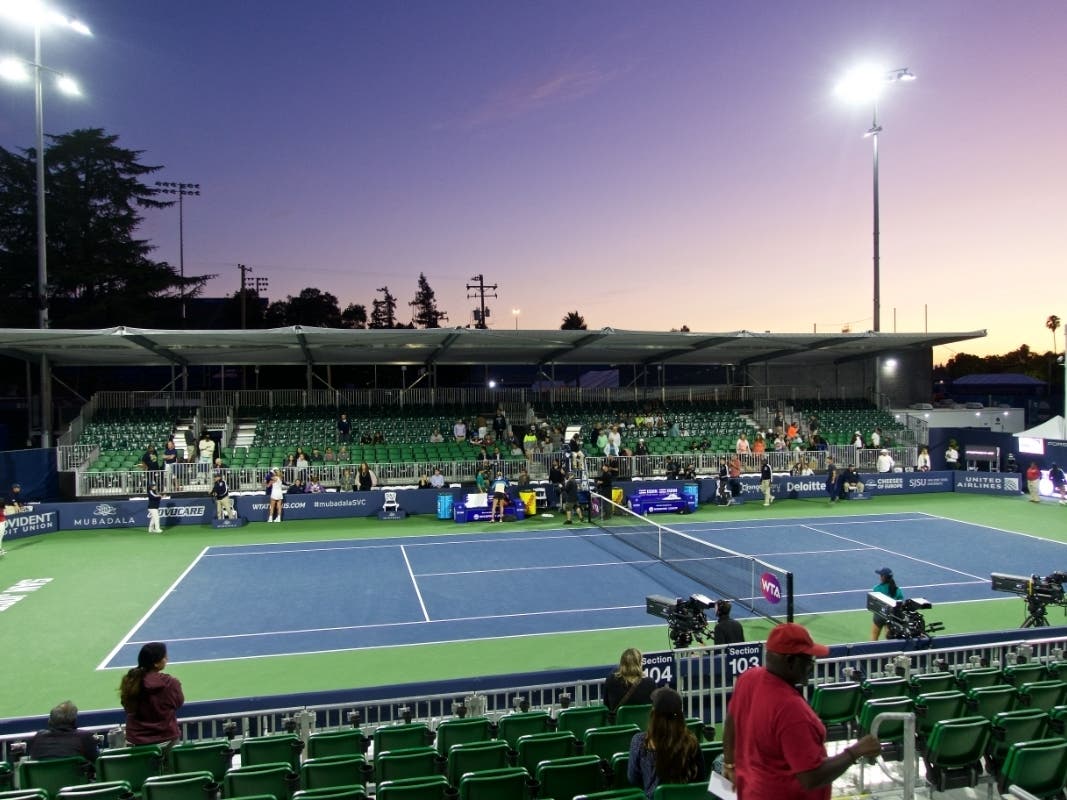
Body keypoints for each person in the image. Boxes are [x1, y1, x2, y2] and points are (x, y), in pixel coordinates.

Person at [723, 624, 880, 799]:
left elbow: (730, 722)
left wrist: (729, 764)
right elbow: (811, 777)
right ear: (790, 661)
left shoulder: (748, 678)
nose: (811, 667)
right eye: (808, 660)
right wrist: (856, 751)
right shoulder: (791, 710)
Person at [628, 687, 704, 799]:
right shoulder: (691, 742)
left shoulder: (640, 741)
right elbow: (700, 776)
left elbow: (633, 778)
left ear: (654, 714)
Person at [120, 642, 184, 752]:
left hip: (137, 742)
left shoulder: (130, 682)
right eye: (164, 656)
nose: (167, 658)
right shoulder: (171, 683)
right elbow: (178, 703)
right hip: (168, 740)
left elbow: (127, 707)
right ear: (156, 663)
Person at [28, 700, 99, 764]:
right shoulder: (85, 737)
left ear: (50, 721)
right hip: (73, 778)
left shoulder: (38, 737)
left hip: (42, 778)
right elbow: (96, 762)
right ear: (74, 720)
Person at [604, 647, 656, 713]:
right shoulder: (650, 683)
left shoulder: (611, 680)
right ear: (640, 663)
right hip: (642, 722)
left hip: (619, 723)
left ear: (621, 663)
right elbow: (654, 706)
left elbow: (606, 705)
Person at [871, 567, 905, 640]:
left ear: (883, 577)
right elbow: (900, 604)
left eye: (880, 575)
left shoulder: (876, 588)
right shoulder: (897, 590)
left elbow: (874, 603)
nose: (879, 577)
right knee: (889, 639)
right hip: (891, 617)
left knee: (874, 638)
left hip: (879, 616)